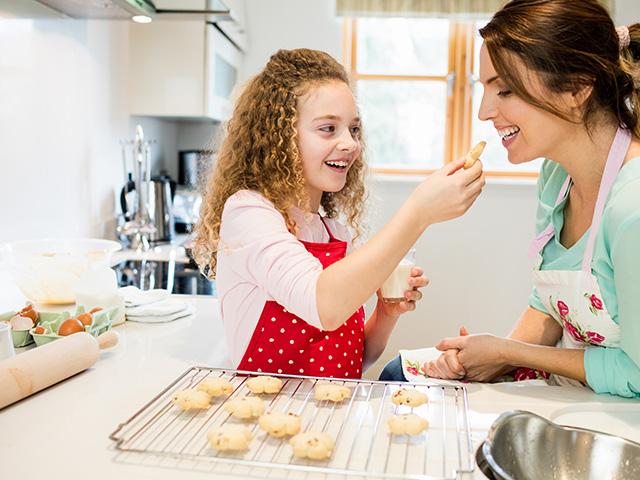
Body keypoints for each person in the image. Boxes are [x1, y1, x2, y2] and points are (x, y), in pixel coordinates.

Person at [193, 48, 485, 379]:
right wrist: (419, 212)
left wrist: (386, 314)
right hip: (269, 419)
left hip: (334, 418)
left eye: (354, 129)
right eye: (328, 128)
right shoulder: (248, 213)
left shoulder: (334, 233)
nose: (350, 144)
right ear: (280, 136)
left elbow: (352, 358)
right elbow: (324, 307)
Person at [399, 0, 640, 398]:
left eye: (505, 90)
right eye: (484, 89)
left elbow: (636, 370)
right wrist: (492, 360)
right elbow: (548, 305)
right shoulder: (555, 177)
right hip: (579, 395)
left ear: (577, 88)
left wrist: (508, 351)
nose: (483, 112)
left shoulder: (631, 208)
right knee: (401, 373)